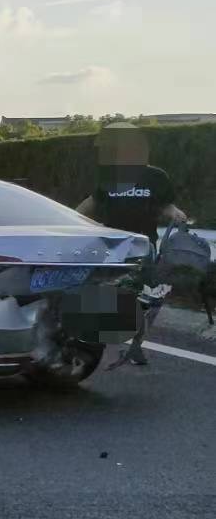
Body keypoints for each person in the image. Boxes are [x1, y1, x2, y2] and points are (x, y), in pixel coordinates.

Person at [75, 125, 189, 365]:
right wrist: (69, 221)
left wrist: (175, 213)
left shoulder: (156, 177)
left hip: (144, 246)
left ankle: (136, 345)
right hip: (111, 246)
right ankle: (92, 343)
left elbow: (165, 206)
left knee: (151, 299)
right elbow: (90, 204)